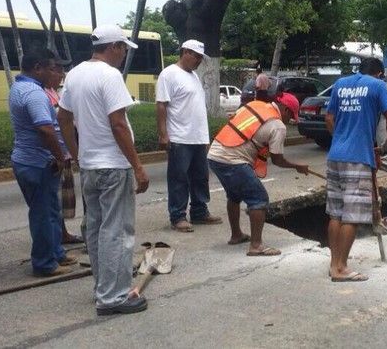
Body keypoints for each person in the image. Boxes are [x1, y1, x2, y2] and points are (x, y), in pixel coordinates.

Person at [57, 24, 150, 316]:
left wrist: (78, 155)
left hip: (91, 166)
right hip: (113, 165)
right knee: (116, 231)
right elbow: (118, 124)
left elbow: (63, 118)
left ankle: (104, 287)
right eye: (123, 48)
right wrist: (138, 166)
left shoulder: (75, 74)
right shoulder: (109, 76)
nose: (123, 54)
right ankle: (113, 297)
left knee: (96, 228)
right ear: (114, 47)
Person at [325, 57, 387, 282]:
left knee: (336, 213)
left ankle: (333, 264)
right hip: (357, 158)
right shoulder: (378, 86)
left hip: (335, 156)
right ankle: (341, 269)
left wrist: (340, 138)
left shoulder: (340, 84)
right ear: (378, 73)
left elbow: (329, 118)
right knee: (353, 216)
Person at [207, 91, 308, 255]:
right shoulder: (277, 126)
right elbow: (277, 160)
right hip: (233, 160)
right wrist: (297, 166)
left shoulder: (255, 105)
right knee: (259, 199)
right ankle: (256, 246)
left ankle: (236, 235)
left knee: (234, 195)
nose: (289, 121)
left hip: (215, 154)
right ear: (286, 110)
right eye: (291, 117)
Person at [9, 49, 77, 277]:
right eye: (54, 68)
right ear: (38, 67)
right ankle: (45, 263)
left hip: (32, 160)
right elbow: (45, 129)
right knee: (42, 213)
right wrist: (60, 156)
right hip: (37, 163)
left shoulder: (22, 87)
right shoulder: (33, 93)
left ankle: (56, 253)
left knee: (51, 210)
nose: (57, 73)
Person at [156, 39, 221, 233]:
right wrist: (163, 134)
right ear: (185, 52)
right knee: (179, 178)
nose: (199, 60)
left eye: (201, 57)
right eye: (196, 56)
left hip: (198, 137)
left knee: (200, 177)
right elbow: (161, 105)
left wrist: (205, 138)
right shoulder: (168, 74)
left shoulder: (193, 76)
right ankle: (177, 216)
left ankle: (200, 211)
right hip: (179, 137)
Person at [44, 62, 83, 245]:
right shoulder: (42, 94)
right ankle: (55, 242)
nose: (62, 75)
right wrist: (59, 155)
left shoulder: (53, 91)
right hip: (55, 154)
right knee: (53, 199)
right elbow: (48, 127)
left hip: (64, 152)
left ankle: (63, 234)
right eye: (59, 71)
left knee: (61, 198)